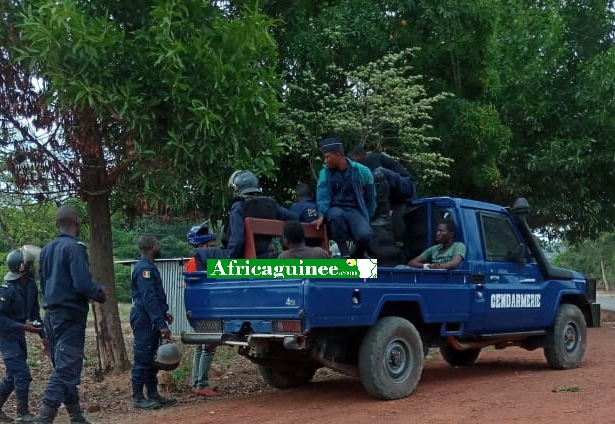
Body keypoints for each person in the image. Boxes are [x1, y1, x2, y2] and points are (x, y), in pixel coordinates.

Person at [36, 205, 107, 424]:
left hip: (51, 314)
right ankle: (45, 418)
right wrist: (99, 293)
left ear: (58, 223)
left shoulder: (46, 249)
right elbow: (81, 283)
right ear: (77, 222)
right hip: (70, 315)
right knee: (66, 369)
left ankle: (76, 416)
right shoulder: (75, 248)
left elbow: (42, 283)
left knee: (63, 367)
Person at [130, 234, 177, 410]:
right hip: (144, 319)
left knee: (152, 359)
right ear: (151, 246)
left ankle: (153, 394)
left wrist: (164, 314)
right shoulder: (145, 269)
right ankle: (138, 398)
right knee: (142, 358)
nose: (159, 246)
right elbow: (148, 298)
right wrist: (161, 324)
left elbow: (154, 298)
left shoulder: (149, 267)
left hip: (151, 318)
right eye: (157, 243)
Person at [0, 248, 46, 423]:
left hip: (18, 335)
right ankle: (22, 414)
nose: (33, 267)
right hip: (6, 337)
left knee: (13, 377)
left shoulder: (31, 285)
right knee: (22, 374)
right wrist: (23, 326)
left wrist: (43, 337)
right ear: (22, 267)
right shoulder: (7, 290)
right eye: (30, 264)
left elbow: (34, 314)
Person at [313, 137, 376, 259]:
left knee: (365, 235)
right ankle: (344, 254)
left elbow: (370, 198)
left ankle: (357, 256)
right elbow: (323, 195)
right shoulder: (325, 173)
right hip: (335, 209)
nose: (325, 161)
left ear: (338, 155)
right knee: (337, 216)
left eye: (327, 157)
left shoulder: (362, 171)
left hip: (354, 210)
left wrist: (367, 216)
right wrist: (321, 214)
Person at [184, 223, 225, 398]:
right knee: (209, 345)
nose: (212, 249)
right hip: (206, 308)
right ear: (200, 246)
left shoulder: (193, 262)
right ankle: (201, 384)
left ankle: (197, 382)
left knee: (202, 346)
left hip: (199, 308)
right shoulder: (197, 262)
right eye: (209, 246)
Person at [221, 170, 298, 259]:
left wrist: (228, 260)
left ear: (237, 188)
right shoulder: (270, 204)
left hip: (243, 257)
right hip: (266, 254)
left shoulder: (239, 205)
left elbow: (237, 241)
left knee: (201, 255)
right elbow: (294, 217)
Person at [348, 145, 417, 205]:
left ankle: (380, 210)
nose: (352, 163)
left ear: (360, 155)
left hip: (408, 185)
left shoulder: (372, 158)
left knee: (378, 173)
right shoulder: (363, 169)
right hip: (395, 196)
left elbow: (376, 179)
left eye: (353, 159)